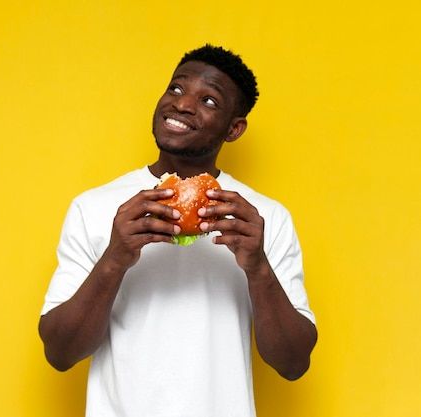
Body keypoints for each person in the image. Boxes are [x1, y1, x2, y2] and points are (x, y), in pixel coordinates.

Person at [38, 44, 317, 417]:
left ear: (234, 129)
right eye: (176, 88)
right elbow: (59, 352)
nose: (182, 105)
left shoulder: (264, 218)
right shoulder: (94, 208)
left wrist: (258, 268)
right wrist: (115, 258)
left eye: (210, 101)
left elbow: (294, 363)